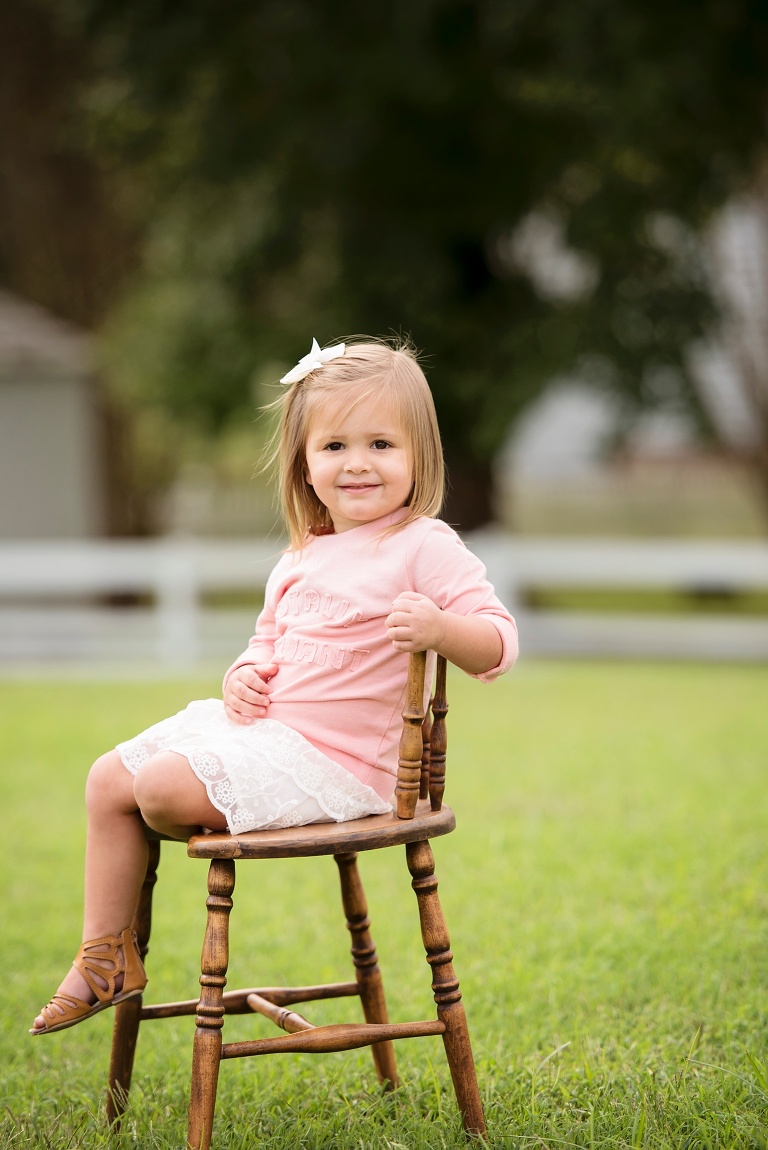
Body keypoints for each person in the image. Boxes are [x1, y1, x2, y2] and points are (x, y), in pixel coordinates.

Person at [31, 336, 518, 1036]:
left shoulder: (423, 545)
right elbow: (264, 647)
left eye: (382, 444)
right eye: (335, 446)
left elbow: (500, 645)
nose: (357, 463)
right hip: (269, 738)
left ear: (420, 455)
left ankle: (119, 934)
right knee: (108, 779)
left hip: (344, 768)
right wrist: (241, 679)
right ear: (305, 463)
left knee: (161, 788)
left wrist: (442, 628)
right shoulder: (299, 557)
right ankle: (105, 956)